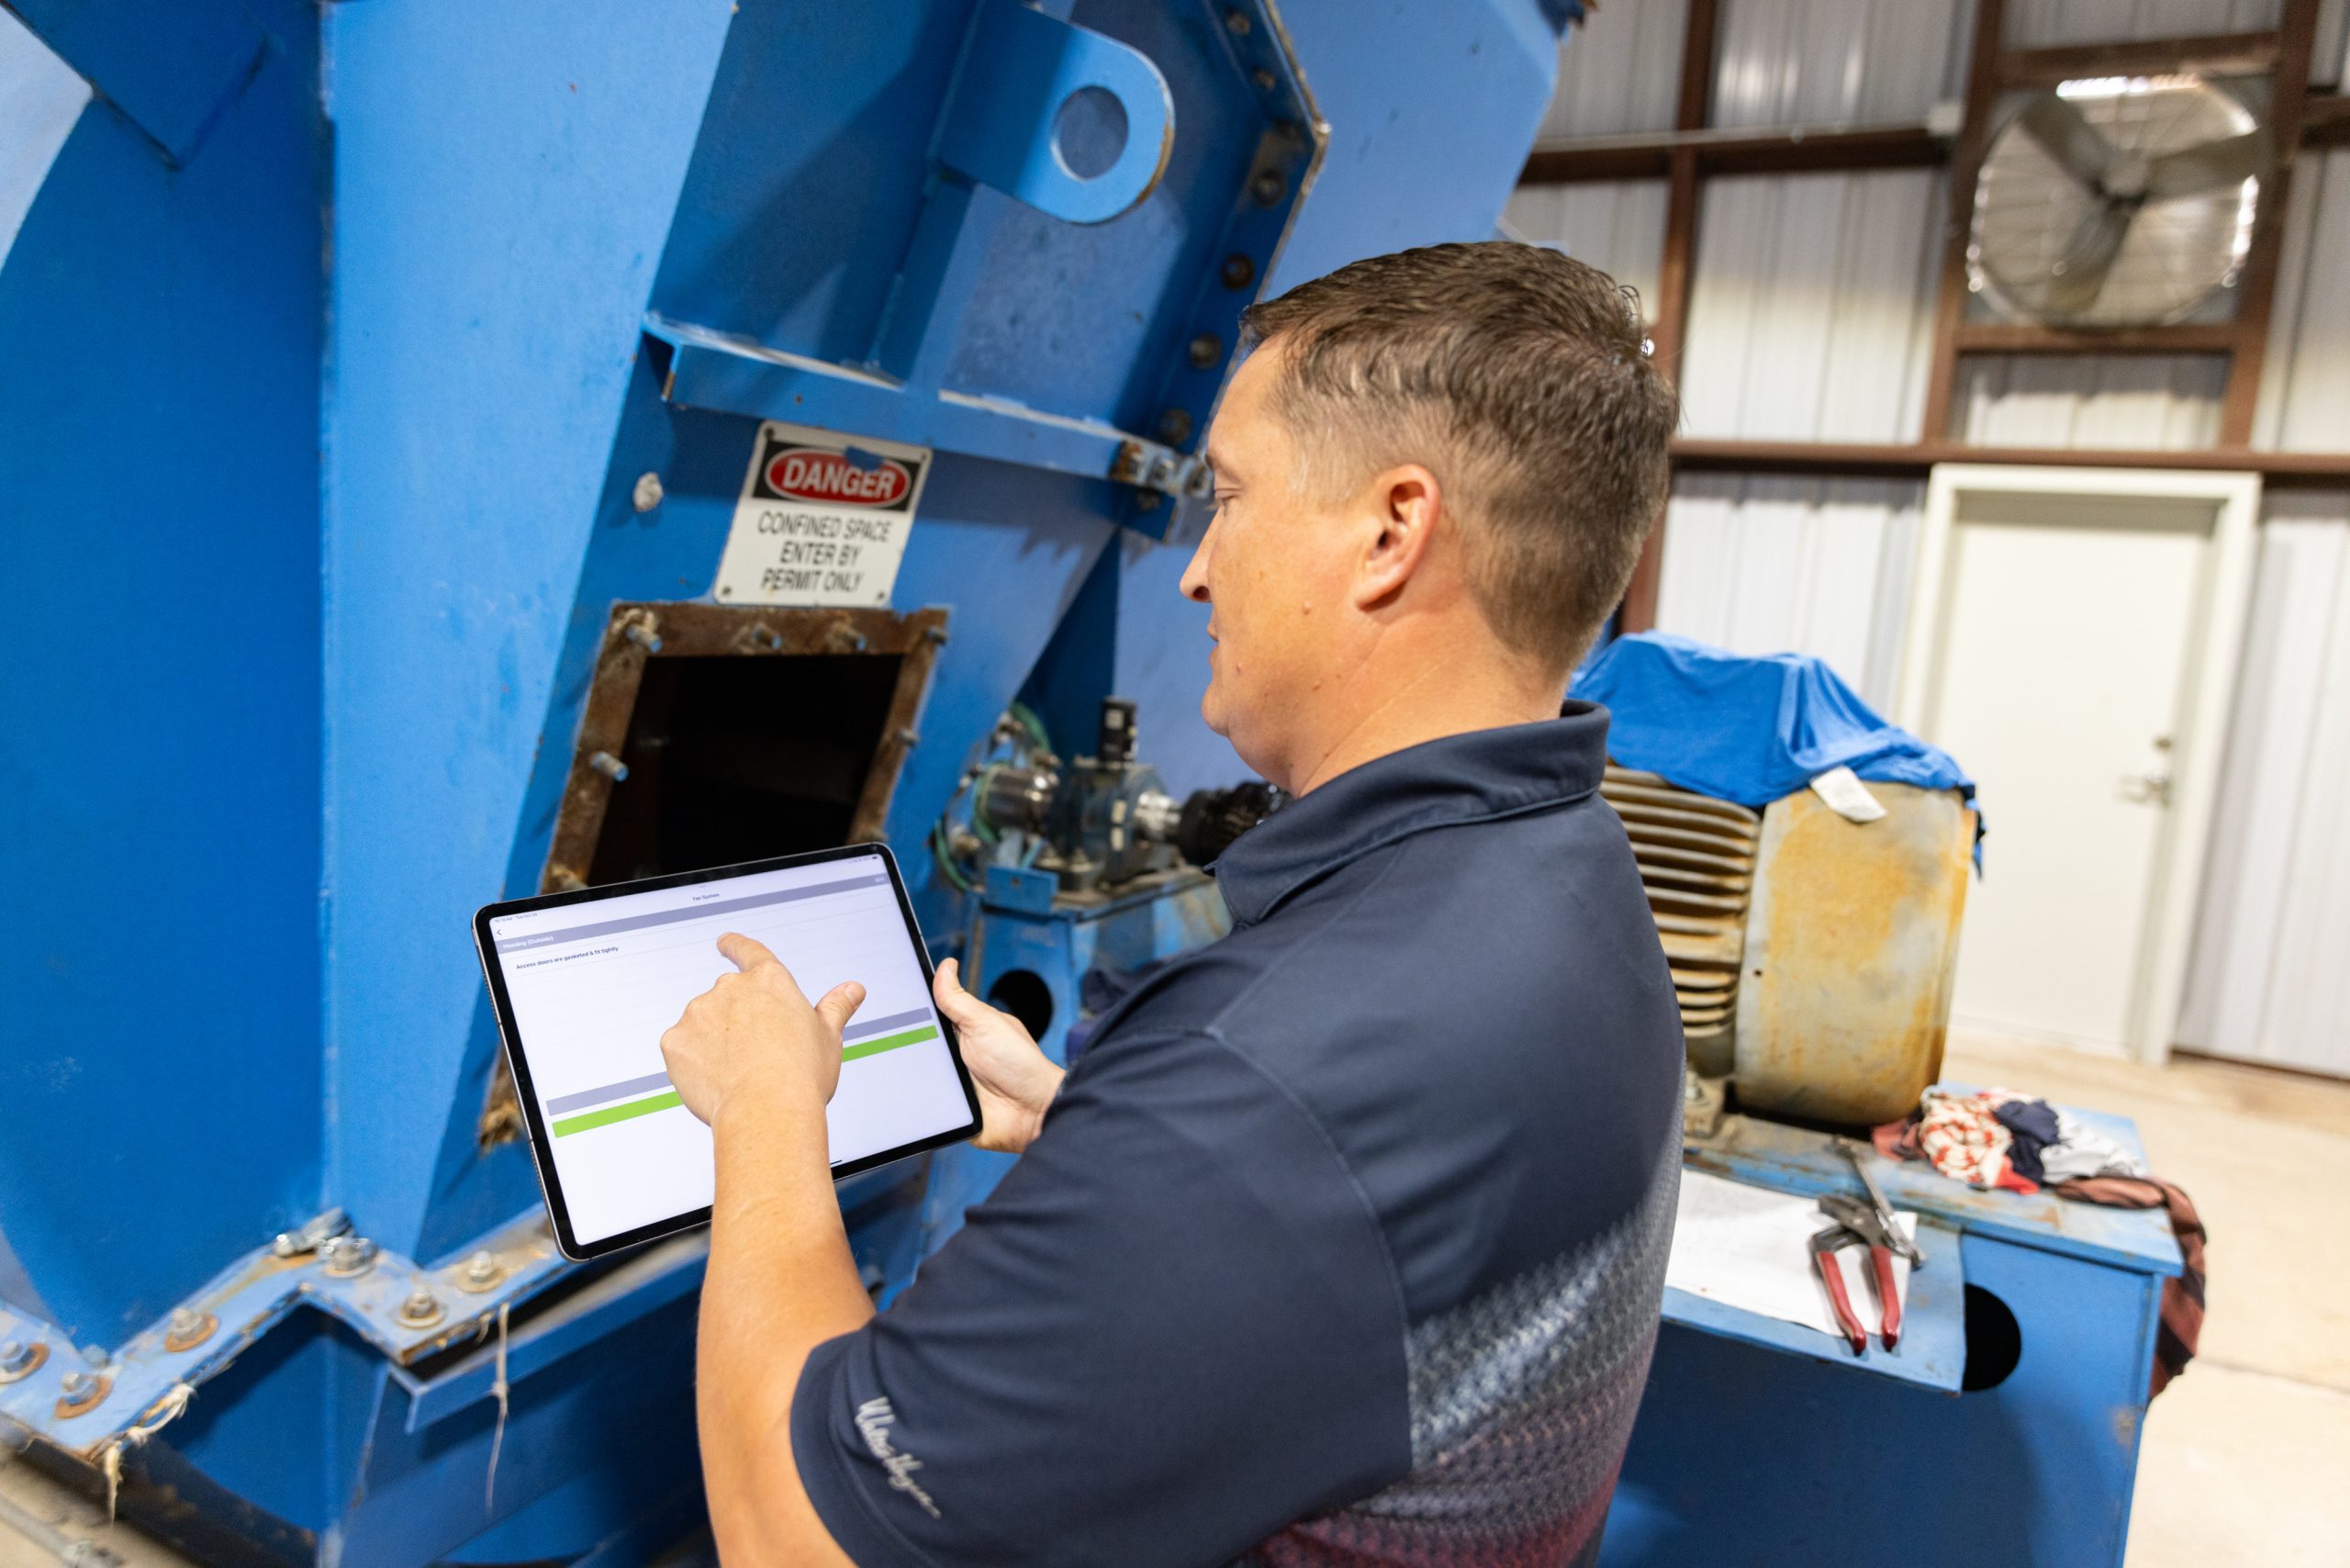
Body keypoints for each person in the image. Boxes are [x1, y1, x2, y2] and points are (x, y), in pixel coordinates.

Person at [658, 241, 1685, 1568]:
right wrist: (1104, 1135)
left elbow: (788, 1539)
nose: (1196, 571)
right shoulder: (1569, 873)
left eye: (1230, 495)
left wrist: (764, 1115)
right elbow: (1369, 1227)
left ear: (1392, 532)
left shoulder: (1267, 1084)